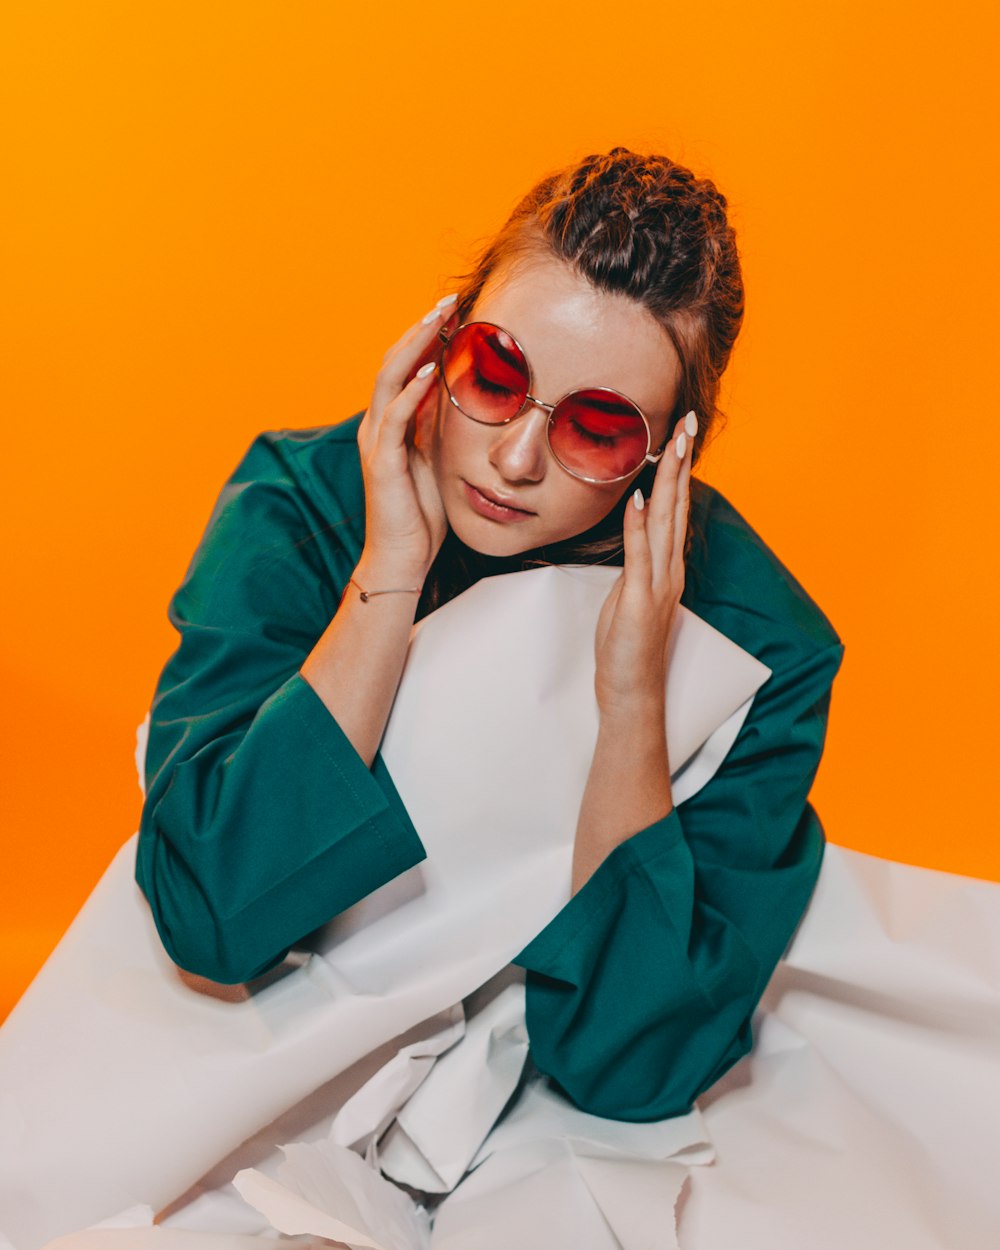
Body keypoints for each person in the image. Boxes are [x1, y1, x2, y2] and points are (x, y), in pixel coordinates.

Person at [135, 144, 845, 1128]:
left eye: (597, 428)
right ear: (444, 337)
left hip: (540, 1125)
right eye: (496, 370)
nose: (513, 457)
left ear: (675, 448)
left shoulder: (758, 642)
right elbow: (210, 915)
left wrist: (635, 697)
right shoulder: (300, 506)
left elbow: (627, 1066)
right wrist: (386, 577)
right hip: (260, 1072)